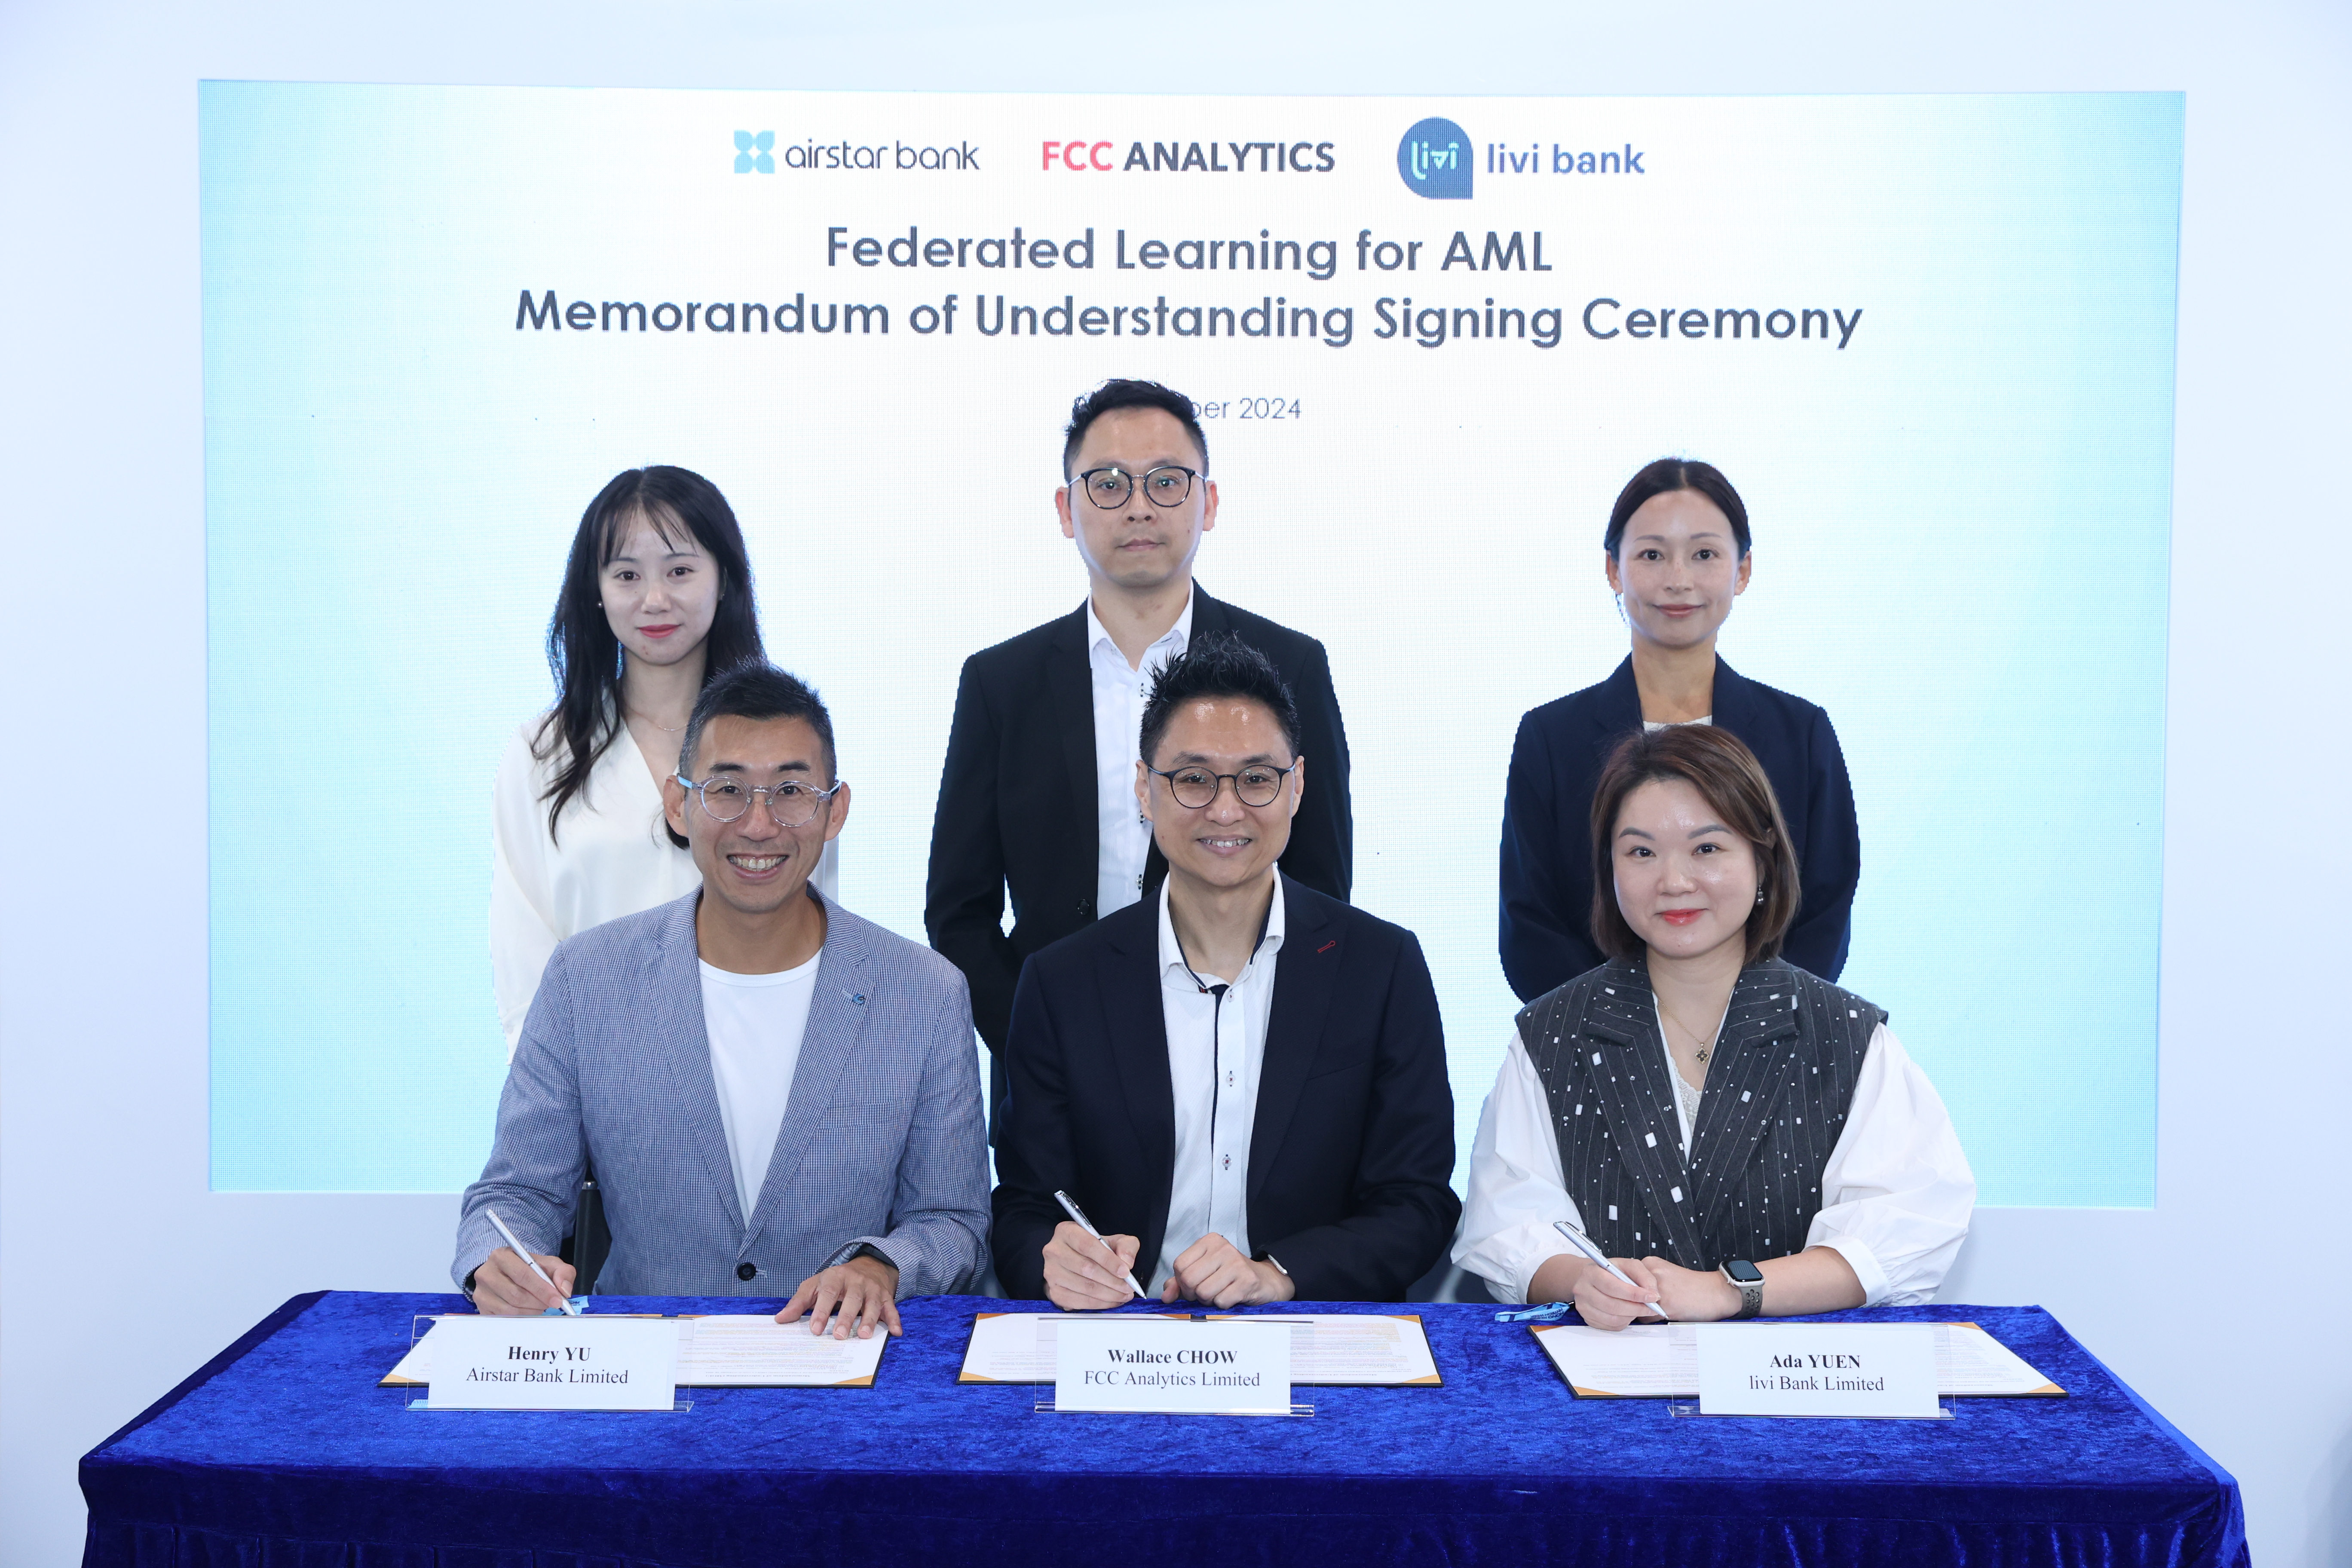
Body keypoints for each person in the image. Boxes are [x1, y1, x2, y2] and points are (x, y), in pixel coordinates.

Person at [456, 663, 987, 1338]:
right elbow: (514, 1195)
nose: (759, 824)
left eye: (791, 791)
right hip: (646, 1364)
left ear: (835, 810)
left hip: (843, 1366)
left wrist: (883, 1265)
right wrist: (498, 1259)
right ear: (678, 805)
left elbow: (954, 1222)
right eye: (727, 790)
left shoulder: (925, 993)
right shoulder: (586, 979)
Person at [992, 636, 1456, 1308]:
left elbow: (1417, 1204)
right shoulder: (1062, 983)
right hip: (1123, 1334)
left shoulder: (1382, 969)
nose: (1227, 809)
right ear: (1145, 789)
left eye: (1257, 779)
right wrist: (1054, 1260)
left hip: (1309, 1330)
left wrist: (1279, 1274)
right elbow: (1024, 1210)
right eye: (1194, 779)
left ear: (1297, 787)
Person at [1456, 724, 1971, 1327]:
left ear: (1763, 859)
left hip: (1792, 1373)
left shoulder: (1848, 1036)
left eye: (1706, 849)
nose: (1674, 882)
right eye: (1641, 852)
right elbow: (1508, 1222)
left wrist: (1728, 1292)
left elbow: (1904, 1229)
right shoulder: (1551, 1035)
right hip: (1605, 1369)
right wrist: (1584, 1283)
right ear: (1609, 869)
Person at [927, 379, 1353, 1075]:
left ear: (1208, 502)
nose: (1138, 506)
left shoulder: (1290, 665)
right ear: (1066, 510)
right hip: (1052, 1070)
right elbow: (958, 911)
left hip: (1240, 1062)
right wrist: (1035, 1038)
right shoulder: (1000, 683)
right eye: (1108, 484)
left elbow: (1321, 888)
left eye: (1166, 482)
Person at [491, 465, 836, 1057]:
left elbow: (815, 928)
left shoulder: (788, 748)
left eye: (679, 571)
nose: (655, 599)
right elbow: (523, 963)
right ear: (596, 589)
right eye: (627, 575)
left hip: (759, 1067)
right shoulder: (540, 756)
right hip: (592, 1080)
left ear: (723, 579)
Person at [1498, 458, 1858, 1002]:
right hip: (1594, 1042)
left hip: (1771, 1040)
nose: (1678, 579)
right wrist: (1621, 1032)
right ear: (1614, 569)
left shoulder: (1801, 734)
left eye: (1704, 554)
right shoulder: (1550, 738)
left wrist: (1751, 1026)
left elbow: (1825, 909)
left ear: (1743, 570)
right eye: (1652, 555)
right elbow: (1531, 923)